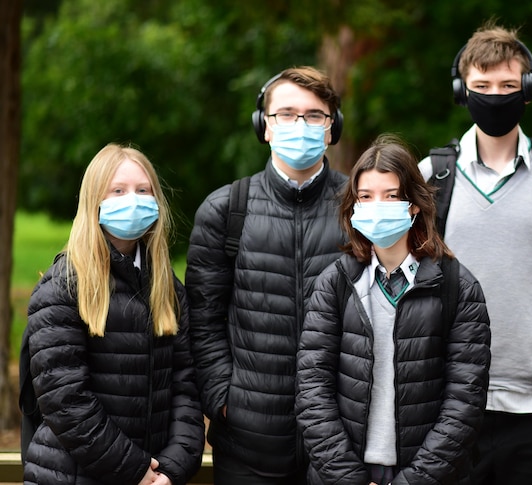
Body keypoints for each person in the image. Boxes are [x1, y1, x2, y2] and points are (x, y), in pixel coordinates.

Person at [417, 22, 532, 484]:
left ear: (527, 89)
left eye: (508, 85)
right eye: (481, 85)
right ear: (462, 91)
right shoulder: (431, 176)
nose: (495, 95)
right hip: (451, 402)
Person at [296, 134, 492, 484]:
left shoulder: (457, 287)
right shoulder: (334, 284)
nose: (377, 206)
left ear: (413, 204)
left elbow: (464, 403)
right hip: (344, 473)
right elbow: (313, 392)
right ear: (353, 206)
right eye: (366, 197)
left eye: (391, 196)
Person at [185, 66, 348, 484]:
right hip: (247, 447)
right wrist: (224, 399)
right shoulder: (225, 211)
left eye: (315, 115)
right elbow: (202, 322)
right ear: (265, 127)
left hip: (342, 443)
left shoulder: (358, 210)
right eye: (287, 114)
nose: (301, 125)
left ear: (332, 129)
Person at [21, 143, 205, 484]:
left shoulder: (167, 288)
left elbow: (185, 388)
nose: (132, 200)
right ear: (95, 202)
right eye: (118, 190)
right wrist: (136, 471)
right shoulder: (63, 288)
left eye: (143, 190)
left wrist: (172, 467)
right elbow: (66, 402)